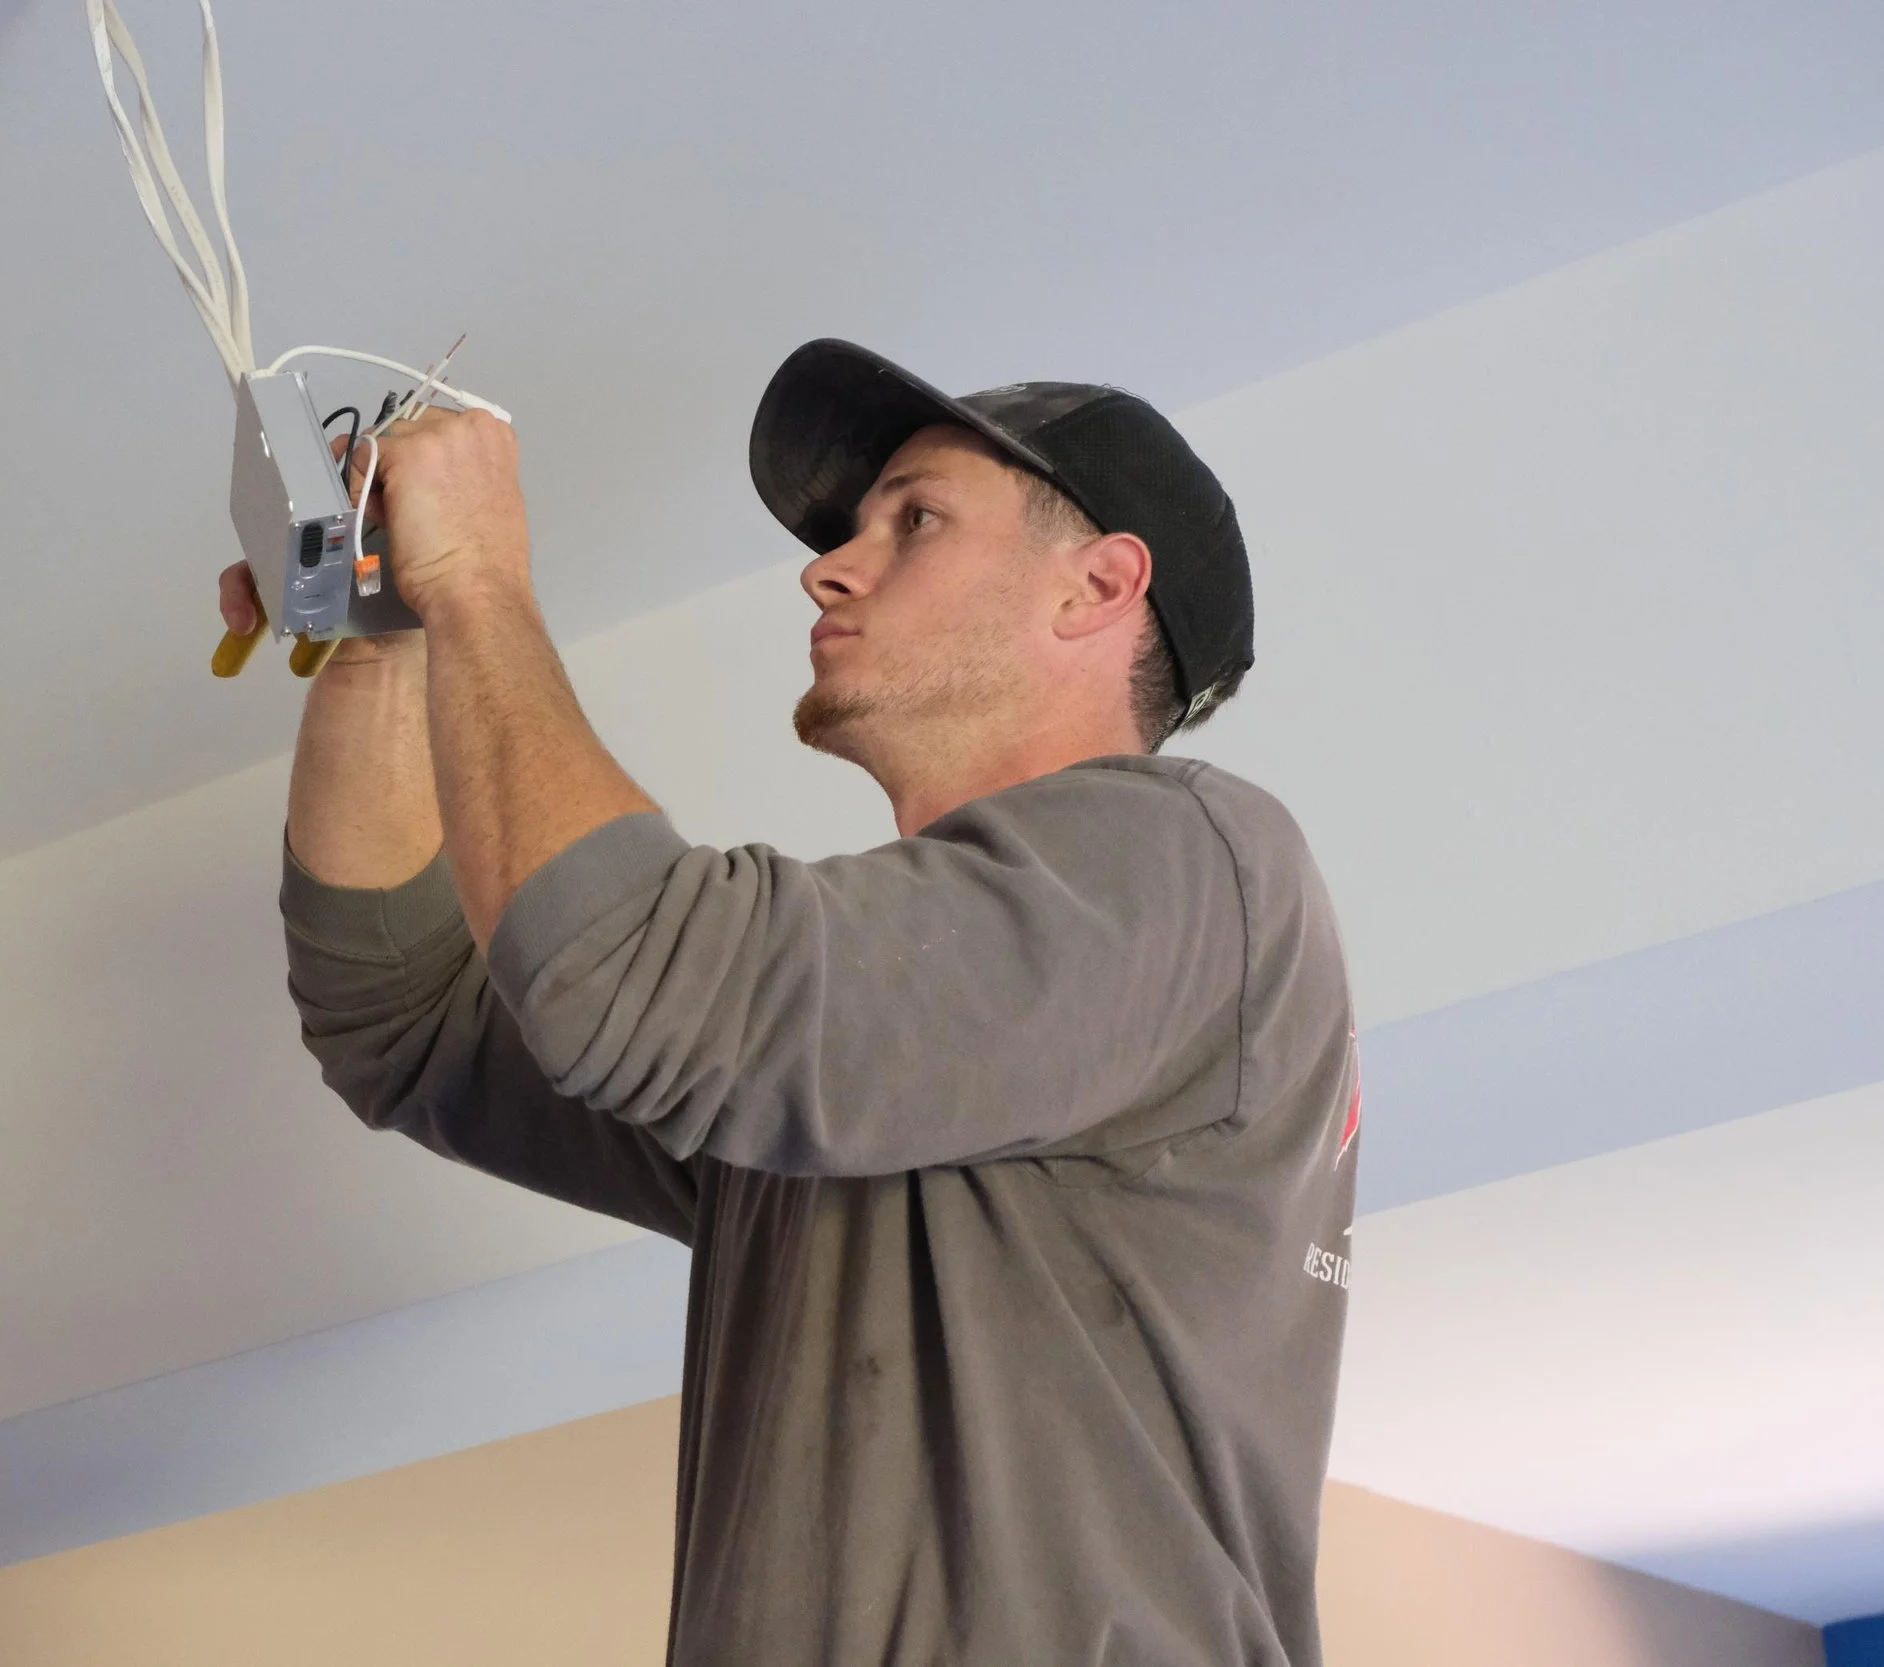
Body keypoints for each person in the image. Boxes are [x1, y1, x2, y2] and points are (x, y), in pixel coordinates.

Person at [236, 338, 1358, 1666]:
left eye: (917, 518)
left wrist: (480, 576)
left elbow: (626, 972)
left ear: (1099, 585)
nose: (830, 563)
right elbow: (408, 1022)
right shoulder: (854, 1057)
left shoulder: (1193, 857)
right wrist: (389, 639)